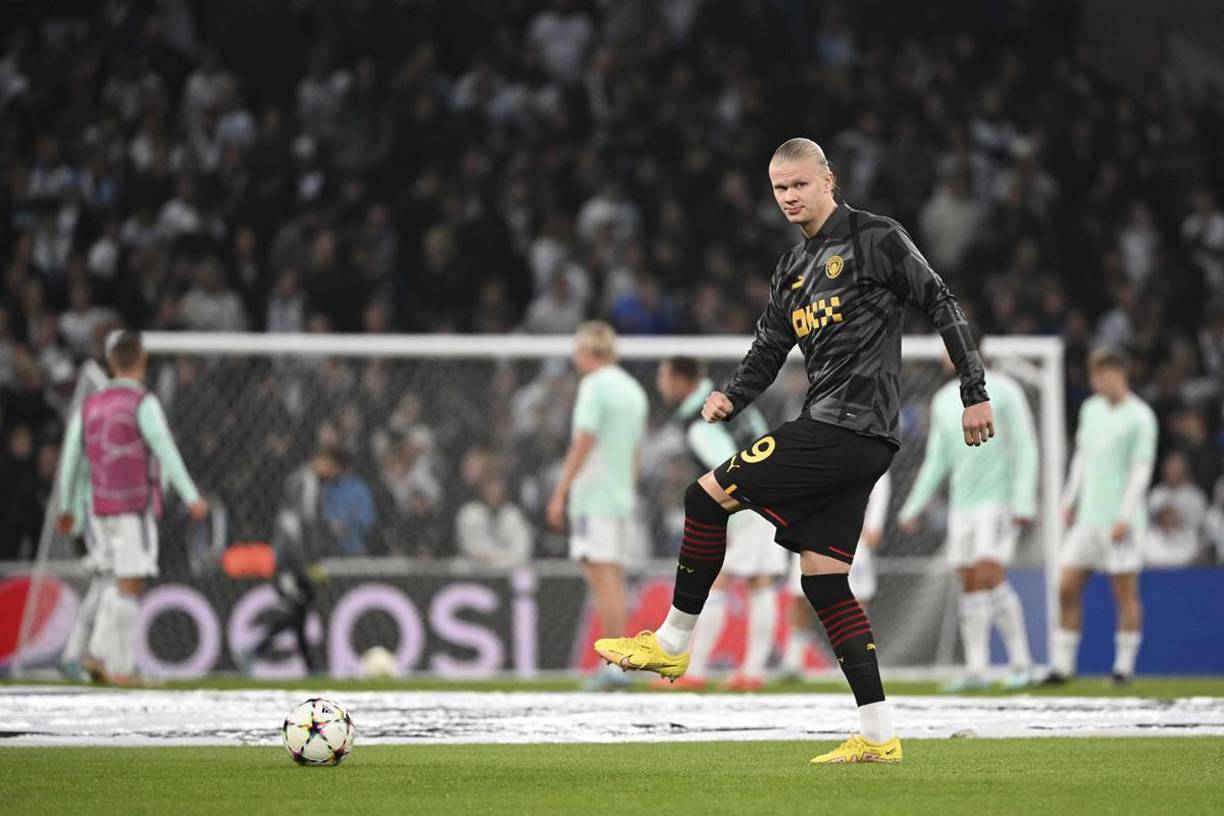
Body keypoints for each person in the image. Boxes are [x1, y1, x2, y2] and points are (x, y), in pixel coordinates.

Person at [594, 138, 993, 764]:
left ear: (828, 179)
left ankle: (673, 641)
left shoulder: (876, 238)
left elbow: (940, 300)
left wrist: (974, 390)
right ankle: (880, 735)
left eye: (800, 185)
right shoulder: (792, 270)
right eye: (780, 188)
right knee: (825, 583)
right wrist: (731, 394)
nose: (789, 197)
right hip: (852, 437)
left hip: (846, 427)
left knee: (702, 497)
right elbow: (768, 349)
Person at [56, 330, 208, 684]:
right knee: (131, 581)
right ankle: (110, 660)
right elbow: (165, 449)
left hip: (97, 510)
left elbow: (70, 461)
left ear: (110, 363)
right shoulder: (143, 403)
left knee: (109, 580)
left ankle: (93, 656)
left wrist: (68, 507)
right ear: (141, 360)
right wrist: (190, 496)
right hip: (132, 505)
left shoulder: (89, 406)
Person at [896, 343, 1039, 691]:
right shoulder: (944, 399)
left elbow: (1025, 445)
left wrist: (1024, 501)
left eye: (949, 346)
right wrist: (914, 505)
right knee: (969, 580)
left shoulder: (1005, 390)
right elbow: (937, 459)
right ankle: (977, 668)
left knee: (991, 572)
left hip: (999, 501)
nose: (943, 355)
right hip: (963, 503)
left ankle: (1022, 663)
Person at [655, 356, 788, 691]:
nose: (660, 384)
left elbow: (726, 466)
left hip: (743, 504)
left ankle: (696, 670)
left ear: (681, 380)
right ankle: (751, 672)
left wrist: (730, 514)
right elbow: (762, 437)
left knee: (716, 581)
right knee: (759, 581)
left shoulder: (699, 422)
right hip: (771, 493)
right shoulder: (731, 399)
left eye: (664, 376)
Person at [547, 321, 648, 691]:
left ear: (588, 351)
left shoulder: (593, 386)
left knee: (601, 579)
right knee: (613, 579)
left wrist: (560, 492)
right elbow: (636, 450)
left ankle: (614, 665)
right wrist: (629, 490)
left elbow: (583, 441)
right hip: (620, 496)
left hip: (593, 496)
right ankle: (620, 661)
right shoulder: (633, 390)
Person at [1048, 346, 1157, 685]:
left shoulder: (1140, 416)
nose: (1095, 381)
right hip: (1087, 519)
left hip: (1120, 522)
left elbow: (1141, 471)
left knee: (1123, 591)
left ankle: (1123, 668)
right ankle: (1063, 667)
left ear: (1117, 373)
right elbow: (1081, 457)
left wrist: (1124, 516)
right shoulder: (1091, 409)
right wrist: (1069, 498)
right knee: (1065, 587)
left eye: (1100, 374)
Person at [242, 444, 350, 675]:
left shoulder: (303, 481)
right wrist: (310, 563)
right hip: (292, 560)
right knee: (296, 609)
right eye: (334, 469)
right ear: (325, 461)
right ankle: (256, 650)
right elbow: (303, 524)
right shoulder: (307, 482)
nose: (332, 476)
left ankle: (310, 667)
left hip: (294, 557)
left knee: (299, 611)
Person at [780, 472, 890, 681]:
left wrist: (874, 524)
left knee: (854, 600)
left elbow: (880, 482)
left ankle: (859, 662)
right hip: (812, 530)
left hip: (853, 531)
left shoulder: (868, 444)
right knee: (799, 596)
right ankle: (793, 662)